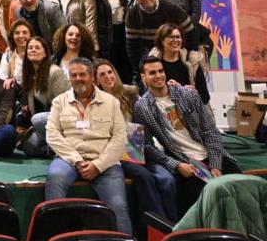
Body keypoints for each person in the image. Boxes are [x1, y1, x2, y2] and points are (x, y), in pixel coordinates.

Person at [43, 58, 134, 234]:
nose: (78, 78)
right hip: (69, 159)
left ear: (92, 77)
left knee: (119, 207)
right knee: (54, 178)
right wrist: (77, 160)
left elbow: (120, 137)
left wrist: (98, 165)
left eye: (82, 74)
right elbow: (52, 134)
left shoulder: (111, 102)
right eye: (74, 75)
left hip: (105, 162)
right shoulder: (59, 101)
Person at [135, 56, 238, 210]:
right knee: (202, 206)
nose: (158, 76)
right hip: (184, 163)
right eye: (152, 73)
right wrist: (176, 165)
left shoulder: (188, 94)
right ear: (143, 77)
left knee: (242, 191)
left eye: (161, 71)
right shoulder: (141, 107)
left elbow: (211, 130)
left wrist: (215, 165)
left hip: (213, 155)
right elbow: (147, 146)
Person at [95, 58, 178, 222]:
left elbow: (147, 111)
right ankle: (158, 224)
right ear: (96, 80)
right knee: (143, 176)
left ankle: (175, 223)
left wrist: (174, 88)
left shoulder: (130, 94)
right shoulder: (95, 101)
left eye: (110, 72)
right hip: (115, 155)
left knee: (167, 179)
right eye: (102, 74)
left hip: (138, 149)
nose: (108, 77)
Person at [126, 0, 196, 74]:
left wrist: (187, 60)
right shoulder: (132, 14)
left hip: (175, 56)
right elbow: (132, 47)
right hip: (150, 59)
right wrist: (139, 71)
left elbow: (192, 35)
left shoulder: (172, 8)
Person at [18, 36, 70, 158]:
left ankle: (60, 147)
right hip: (45, 123)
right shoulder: (29, 74)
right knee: (29, 148)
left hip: (62, 119)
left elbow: (63, 107)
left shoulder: (55, 72)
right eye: (30, 48)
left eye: (37, 48)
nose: (33, 50)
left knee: (37, 119)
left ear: (45, 53)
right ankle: (51, 147)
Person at [93, 0, 134, 81]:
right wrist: (94, 44)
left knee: (126, 72)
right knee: (110, 73)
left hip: (125, 33)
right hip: (106, 37)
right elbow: (91, 18)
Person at [149, 22, 210, 104]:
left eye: (178, 37)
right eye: (171, 37)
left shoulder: (192, 61)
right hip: (160, 109)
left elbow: (205, 97)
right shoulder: (152, 64)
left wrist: (189, 92)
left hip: (188, 108)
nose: (175, 40)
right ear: (161, 40)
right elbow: (147, 94)